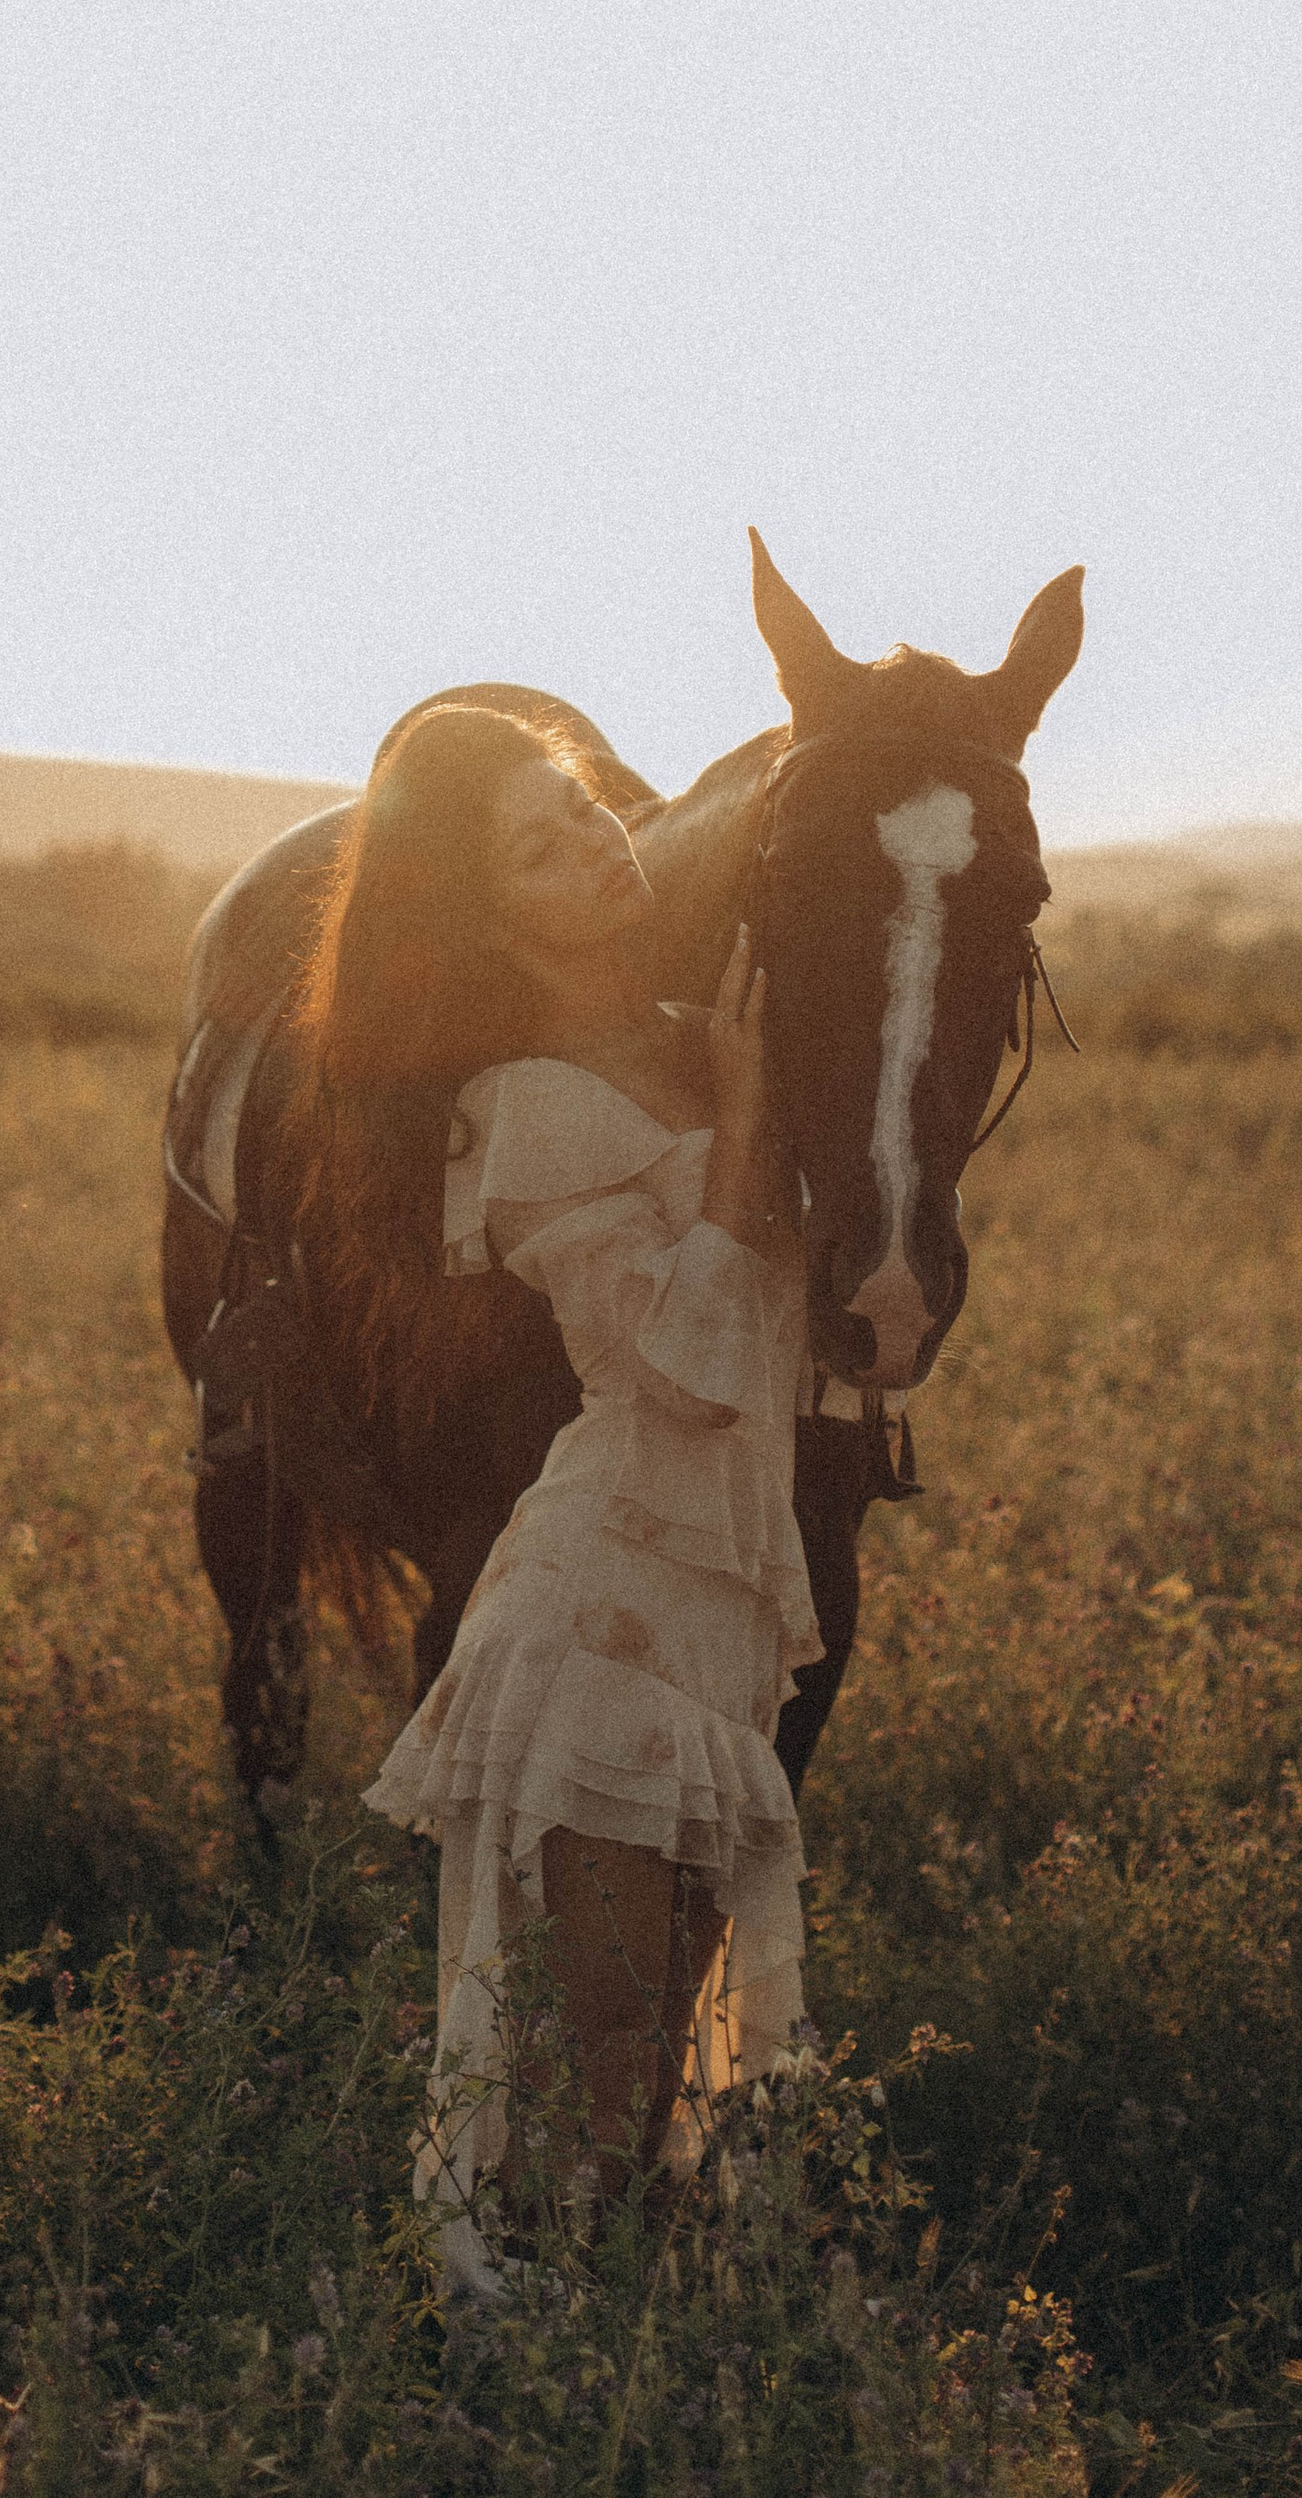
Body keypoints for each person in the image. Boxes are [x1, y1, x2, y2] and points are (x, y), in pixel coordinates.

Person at [310, 701, 818, 2294]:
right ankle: (551, 2385)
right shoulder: (522, 1107)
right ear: (486, 916)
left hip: (723, 1597)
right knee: (602, 2060)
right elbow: (673, 1365)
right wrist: (746, 1123)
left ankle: (619, 2375)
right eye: (539, 845)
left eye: (584, 807)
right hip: (605, 1600)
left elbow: (800, 1322)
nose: (595, 843)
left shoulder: (704, 1019)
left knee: (666, 2062)